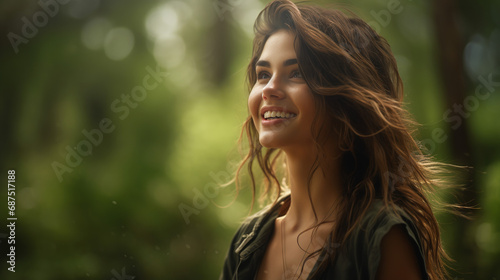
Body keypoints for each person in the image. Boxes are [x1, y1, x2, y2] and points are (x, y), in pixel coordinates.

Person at [221, 0, 454, 279]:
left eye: (296, 73)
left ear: (344, 100)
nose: (270, 89)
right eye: (263, 74)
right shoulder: (245, 243)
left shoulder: (379, 237)